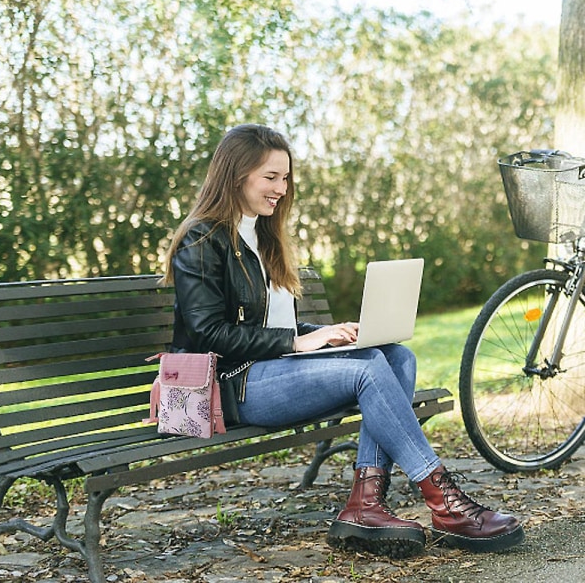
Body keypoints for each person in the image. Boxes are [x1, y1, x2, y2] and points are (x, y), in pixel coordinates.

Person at [162, 124, 525, 558]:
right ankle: (443, 500)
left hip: (271, 370)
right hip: (232, 385)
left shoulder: (261, 234)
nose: (281, 188)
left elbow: (272, 321)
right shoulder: (202, 239)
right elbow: (208, 333)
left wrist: (326, 334)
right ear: (236, 175)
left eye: (286, 178)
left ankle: (365, 504)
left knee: (397, 357)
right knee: (368, 370)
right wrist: (297, 345)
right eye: (270, 177)